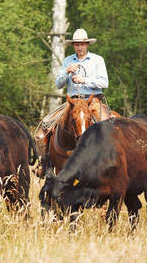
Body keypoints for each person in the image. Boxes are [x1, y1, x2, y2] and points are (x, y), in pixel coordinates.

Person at [34, 29, 113, 177]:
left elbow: (104, 82)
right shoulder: (67, 61)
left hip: (92, 101)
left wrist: (85, 80)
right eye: (77, 45)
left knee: (108, 127)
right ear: (74, 46)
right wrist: (66, 72)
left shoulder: (97, 60)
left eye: (82, 44)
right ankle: (43, 164)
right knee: (45, 127)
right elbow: (58, 84)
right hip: (72, 102)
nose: (80, 47)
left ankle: (111, 162)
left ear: (87, 44)